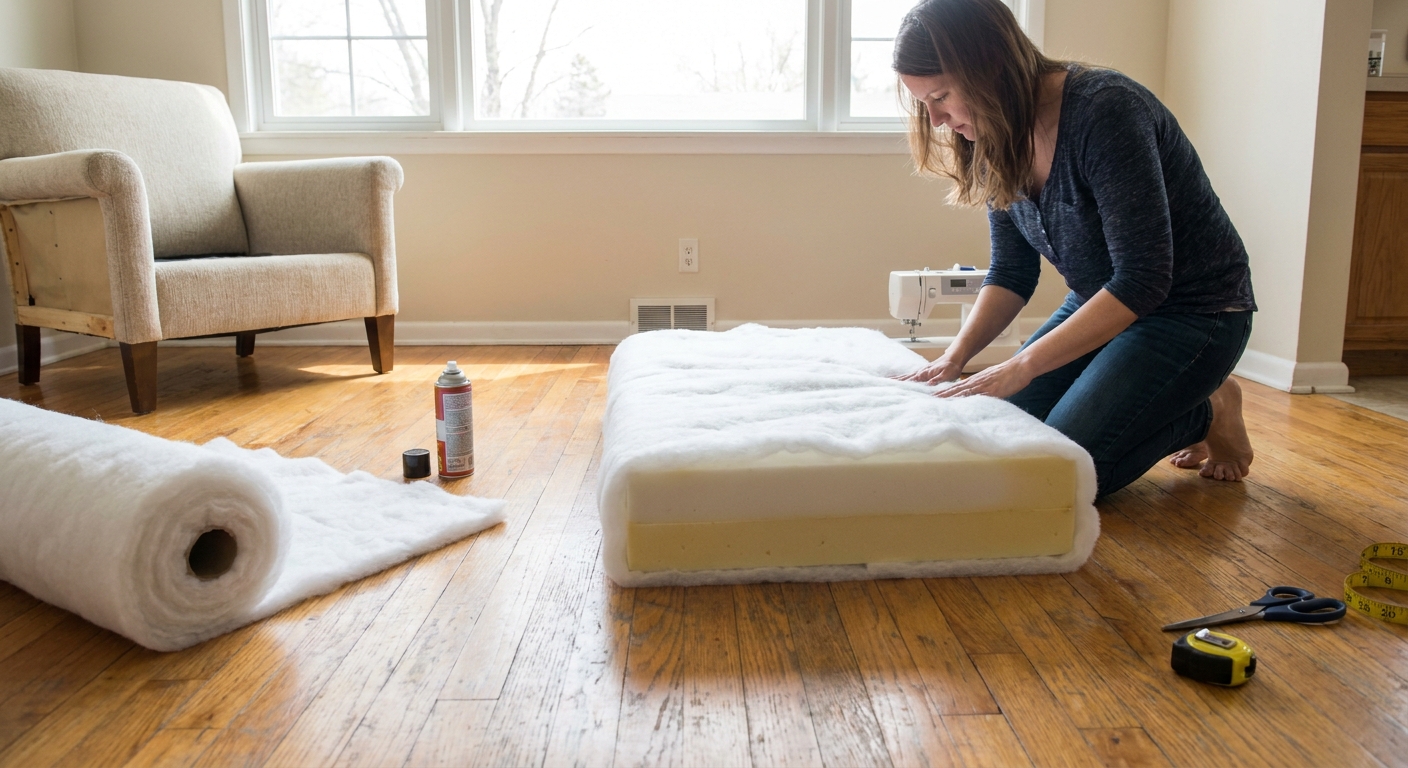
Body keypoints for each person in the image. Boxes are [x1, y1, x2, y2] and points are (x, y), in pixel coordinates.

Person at [891, 0, 1256, 499]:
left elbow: (1145, 278)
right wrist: (955, 358)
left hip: (1194, 311)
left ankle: (1208, 409)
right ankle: (1189, 396)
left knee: (1065, 468)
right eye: (923, 103)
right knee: (1006, 432)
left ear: (989, 66)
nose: (934, 120)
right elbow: (1012, 271)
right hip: (1102, 301)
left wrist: (1019, 365)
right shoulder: (993, 130)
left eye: (942, 97)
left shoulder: (1106, 110)